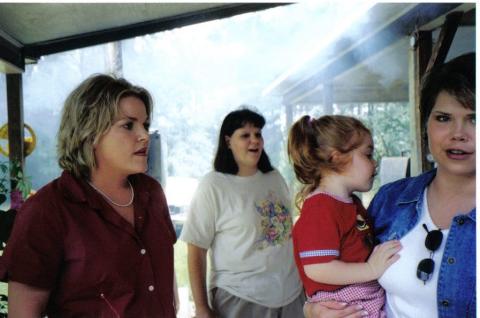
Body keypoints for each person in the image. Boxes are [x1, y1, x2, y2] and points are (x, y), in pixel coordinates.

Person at [305, 52, 475, 318]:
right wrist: (315, 309)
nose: (458, 133)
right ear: (426, 124)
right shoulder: (391, 200)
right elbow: (341, 272)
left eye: (474, 118)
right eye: (443, 117)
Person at [0, 74, 178, 317]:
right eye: (128, 125)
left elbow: (165, 280)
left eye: (145, 125)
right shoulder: (46, 210)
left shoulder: (152, 192)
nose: (145, 135)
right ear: (90, 133)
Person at [180, 108, 304, 318]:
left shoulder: (274, 177)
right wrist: (201, 307)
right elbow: (196, 249)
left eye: (258, 134)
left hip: (292, 295)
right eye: (245, 135)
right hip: (241, 297)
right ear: (228, 141)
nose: (254, 140)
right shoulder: (213, 185)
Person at [287, 115, 401, 317]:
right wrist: (371, 270)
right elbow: (318, 268)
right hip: (345, 305)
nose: (374, 163)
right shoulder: (321, 207)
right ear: (336, 157)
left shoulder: (351, 203)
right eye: (367, 154)